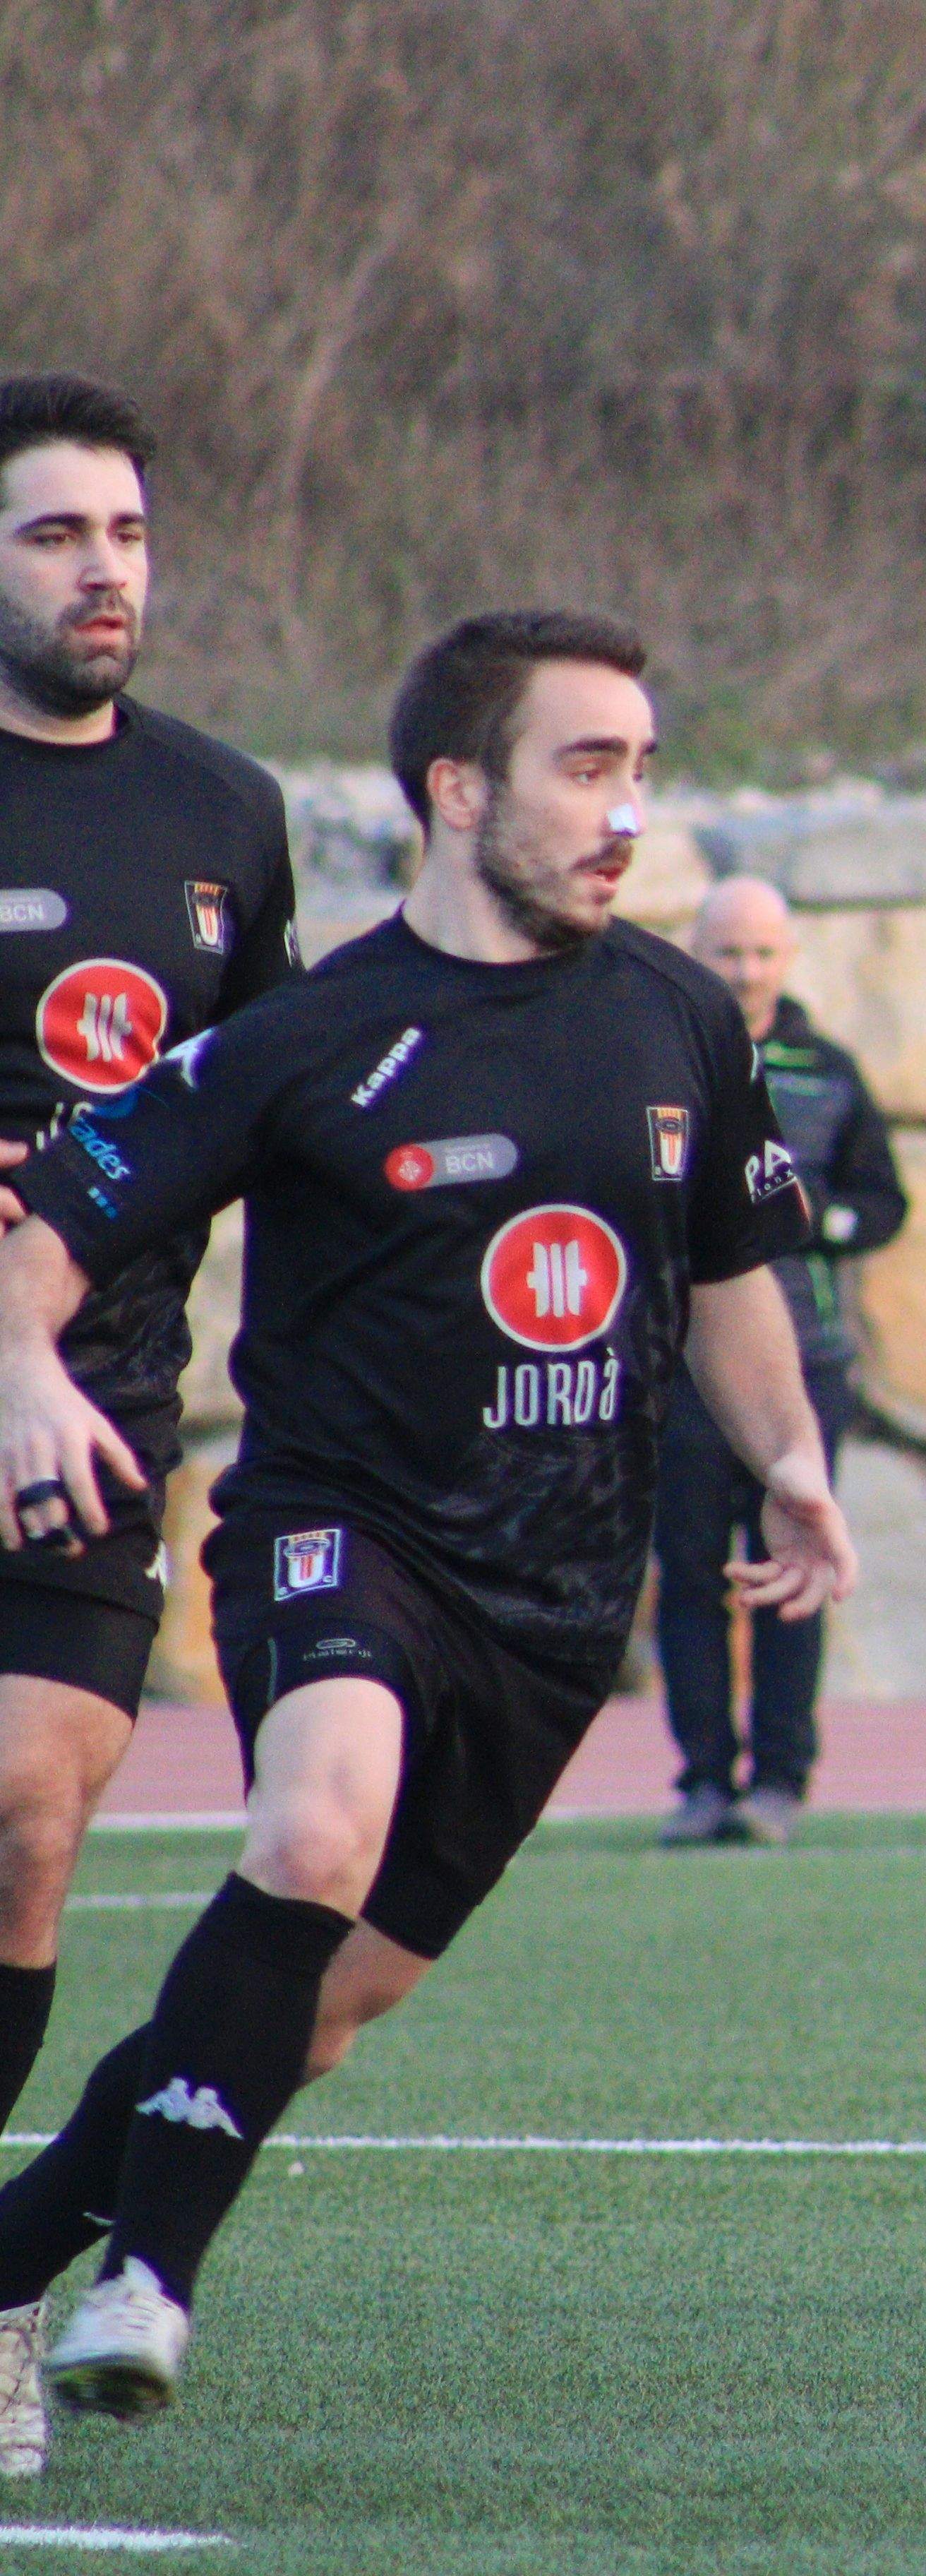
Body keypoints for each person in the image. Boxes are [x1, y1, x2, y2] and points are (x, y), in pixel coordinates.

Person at [0, 609, 853, 2440]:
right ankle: (148, 2282)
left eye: (641, 768)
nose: (627, 811)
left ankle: (7, 2260)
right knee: (313, 1827)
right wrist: (27, 1368)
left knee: (310, 2015)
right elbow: (52, 1226)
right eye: (586, 766)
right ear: (458, 791)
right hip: (341, 1527)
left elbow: (726, 1277)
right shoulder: (313, 1036)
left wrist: (791, 1459)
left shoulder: (682, 1014)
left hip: (556, 1599)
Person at [0, 377, 297, 2203]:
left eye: (124, 534)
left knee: (33, 1818)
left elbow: (277, 1108)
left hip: (96, 1412)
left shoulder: (222, 812)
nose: (101, 572)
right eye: (53, 536)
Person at [652, 876, 902, 1846]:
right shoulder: (662, 1057)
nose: (746, 971)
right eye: (727, 952)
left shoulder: (829, 1070)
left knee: (793, 1569)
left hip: (807, 1367)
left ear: (788, 957)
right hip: (681, 1370)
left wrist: (820, 1222)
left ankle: (781, 1782)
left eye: (761, 952)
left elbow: (885, 1203)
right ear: (697, 954)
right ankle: (703, 1780)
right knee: (687, 1574)